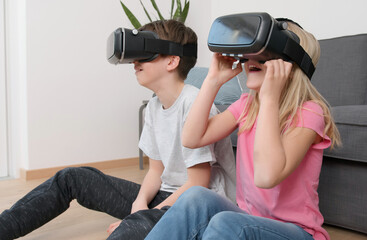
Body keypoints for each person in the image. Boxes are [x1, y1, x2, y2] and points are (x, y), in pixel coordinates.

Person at [0, 20, 236, 240]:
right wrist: (140, 204)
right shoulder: (154, 106)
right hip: (165, 196)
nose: (135, 63)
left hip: (199, 206)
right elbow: (156, 171)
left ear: (171, 61)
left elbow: (198, 183)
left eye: (143, 56)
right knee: (73, 178)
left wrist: (141, 217)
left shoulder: (195, 103)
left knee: (134, 228)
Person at [145, 19, 341, 240]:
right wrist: (213, 80)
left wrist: (269, 98)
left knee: (226, 222)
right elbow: (191, 138)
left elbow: (266, 177)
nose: (252, 60)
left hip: (297, 232)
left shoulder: (310, 113)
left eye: (265, 55)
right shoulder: (247, 105)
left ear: (291, 65)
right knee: (195, 196)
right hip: (250, 221)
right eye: (250, 53)